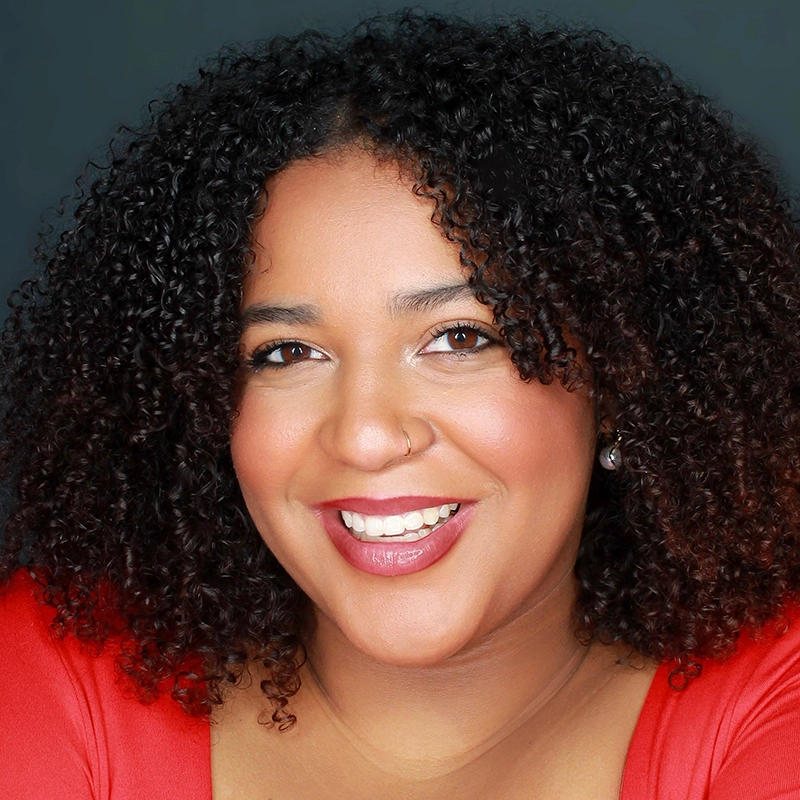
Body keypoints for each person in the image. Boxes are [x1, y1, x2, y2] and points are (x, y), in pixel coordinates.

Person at [2, 12, 800, 799]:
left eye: (459, 338)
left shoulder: (773, 699)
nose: (366, 436)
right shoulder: (58, 670)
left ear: (619, 378)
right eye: (287, 353)